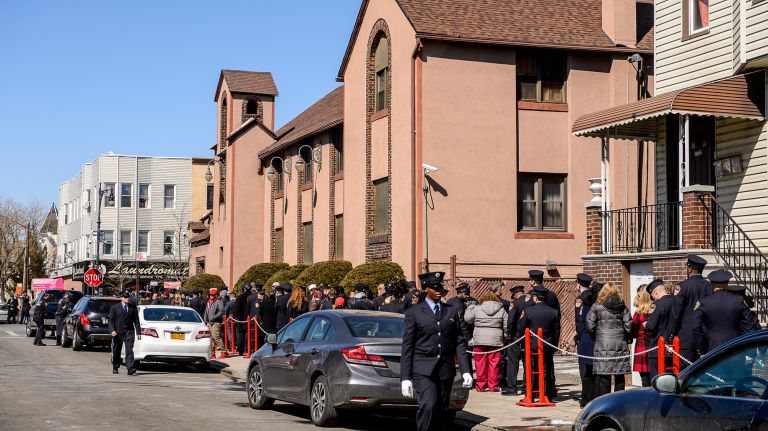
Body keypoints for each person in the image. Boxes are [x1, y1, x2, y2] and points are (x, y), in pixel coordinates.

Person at [401, 272, 472, 431]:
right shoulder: (414, 312)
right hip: (423, 369)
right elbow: (408, 346)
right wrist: (405, 377)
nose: (439, 290)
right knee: (429, 405)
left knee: (443, 411)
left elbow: (459, 342)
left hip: (445, 369)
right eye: (434, 287)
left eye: (440, 286)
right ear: (425, 289)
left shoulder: (451, 311)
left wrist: (466, 370)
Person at [693, 270, 756, 354]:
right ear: (727, 284)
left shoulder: (704, 302)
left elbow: (696, 326)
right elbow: (749, 325)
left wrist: (702, 347)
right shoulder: (738, 300)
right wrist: (744, 345)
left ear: (712, 285)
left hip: (712, 347)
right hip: (735, 346)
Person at [586, 283, 631, 398]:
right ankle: (619, 401)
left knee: (603, 375)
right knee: (619, 375)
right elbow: (629, 326)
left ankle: (604, 401)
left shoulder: (596, 306)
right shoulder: (623, 306)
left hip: (602, 343)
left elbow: (590, 325)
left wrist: (595, 336)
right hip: (620, 343)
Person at [518, 285, 560, 401]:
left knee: (531, 369)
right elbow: (557, 331)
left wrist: (522, 342)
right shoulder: (554, 312)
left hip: (531, 344)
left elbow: (521, 328)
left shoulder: (528, 311)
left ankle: (530, 394)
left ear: (535, 297)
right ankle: (546, 394)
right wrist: (554, 345)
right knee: (546, 369)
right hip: (547, 344)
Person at [672, 254, 712, 366]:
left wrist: (671, 336)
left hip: (686, 338)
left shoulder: (682, 286)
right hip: (705, 336)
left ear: (689, 268)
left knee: (685, 374)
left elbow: (676, 314)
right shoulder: (709, 286)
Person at [464, 291, 507, 392]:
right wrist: (504, 337)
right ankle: (493, 386)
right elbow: (506, 325)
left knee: (480, 363)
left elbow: (468, 319)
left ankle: (481, 386)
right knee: (494, 364)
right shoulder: (501, 309)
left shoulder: (477, 308)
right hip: (495, 339)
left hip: (479, 339)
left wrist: (470, 307)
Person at [644, 279, 676, 378]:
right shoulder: (677, 302)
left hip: (658, 347)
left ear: (655, 292)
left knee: (657, 380)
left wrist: (646, 324)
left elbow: (651, 326)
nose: (653, 298)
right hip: (675, 347)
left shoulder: (657, 305)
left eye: (652, 296)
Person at [574, 273, 596, 406]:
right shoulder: (594, 296)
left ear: (578, 284)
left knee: (585, 370)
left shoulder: (582, 299)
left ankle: (586, 397)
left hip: (585, 338)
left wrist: (579, 337)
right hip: (593, 338)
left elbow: (580, 321)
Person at [502, 285, 528, 396]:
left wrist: (510, 335)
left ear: (516, 294)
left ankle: (512, 388)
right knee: (527, 363)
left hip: (516, 336)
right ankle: (526, 388)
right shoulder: (531, 301)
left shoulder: (515, 303)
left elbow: (511, 320)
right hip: (528, 335)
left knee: (513, 362)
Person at [108, 292, 141, 375]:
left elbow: (136, 321)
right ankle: (115, 366)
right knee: (116, 350)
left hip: (129, 331)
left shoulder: (133, 308)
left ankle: (130, 368)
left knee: (129, 350)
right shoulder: (115, 307)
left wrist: (138, 332)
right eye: (125, 297)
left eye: (128, 297)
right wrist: (112, 330)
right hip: (117, 332)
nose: (127, 299)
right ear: (121, 298)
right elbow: (111, 320)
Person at [631, 285, 652, 387]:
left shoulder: (638, 313)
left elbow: (633, 331)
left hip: (642, 345)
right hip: (653, 345)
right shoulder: (655, 309)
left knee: (645, 378)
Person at [203, 288, 227, 359]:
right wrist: (205, 319)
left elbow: (222, 311)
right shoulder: (208, 301)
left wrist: (214, 317)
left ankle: (224, 351)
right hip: (209, 322)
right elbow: (206, 311)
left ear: (216, 295)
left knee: (215, 336)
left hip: (216, 322)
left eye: (212, 295)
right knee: (210, 338)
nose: (211, 296)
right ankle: (212, 353)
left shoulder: (219, 302)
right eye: (210, 295)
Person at [233, 284, 253, 355]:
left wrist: (234, 316)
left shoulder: (240, 297)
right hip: (252, 318)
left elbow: (235, 309)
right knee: (249, 334)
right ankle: (247, 349)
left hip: (241, 318)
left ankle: (240, 350)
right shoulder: (254, 297)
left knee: (241, 334)